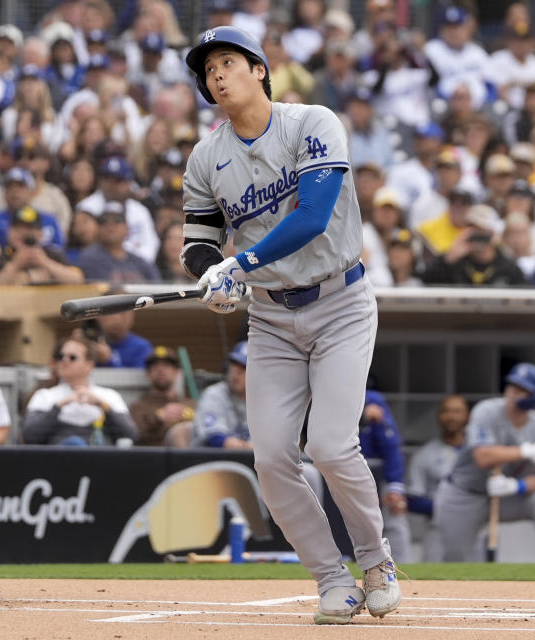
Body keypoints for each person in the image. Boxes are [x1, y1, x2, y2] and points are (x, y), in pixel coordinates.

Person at [181, 26, 401, 624]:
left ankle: (376, 561)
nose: (218, 74)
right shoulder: (205, 158)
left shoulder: (312, 123)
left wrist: (240, 264)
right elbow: (197, 242)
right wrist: (211, 276)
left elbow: (312, 215)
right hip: (273, 317)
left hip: (341, 302)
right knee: (273, 457)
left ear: (259, 69)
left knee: (330, 444)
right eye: (208, 70)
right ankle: (333, 579)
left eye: (229, 61)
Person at [435, 363, 535, 562]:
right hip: (464, 494)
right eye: (513, 387)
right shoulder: (486, 411)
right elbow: (483, 457)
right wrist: (525, 450)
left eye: (522, 390)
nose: (514, 394)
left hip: (506, 494)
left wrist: (518, 485)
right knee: (456, 559)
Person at [21, 337, 137, 446]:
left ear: (89, 365)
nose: (64, 361)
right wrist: (59, 406)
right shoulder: (44, 396)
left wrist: (102, 405)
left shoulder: (109, 395)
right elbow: (30, 436)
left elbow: (130, 434)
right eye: (61, 356)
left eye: (72, 357)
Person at [405, 394, 468, 562]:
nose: (451, 416)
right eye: (446, 411)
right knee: (433, 578)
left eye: (457, 411)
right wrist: (447, 507)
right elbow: (412, 499)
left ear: (467, 416)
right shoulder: (425, 454)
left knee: (481, 581)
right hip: (437, 527)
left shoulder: (479, 453)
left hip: (473, 527)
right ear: (439, 416)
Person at [359, 389, 411, 564]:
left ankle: (401, 570)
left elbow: (391, 446)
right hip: (337, 472)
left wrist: (394, 485)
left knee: (394, 523)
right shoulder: (323, 394)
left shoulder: (371, 399)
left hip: (375, 474)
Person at [129, 346, 196, 447]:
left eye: (166, 366)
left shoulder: (192, 404)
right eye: (155, 367)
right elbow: (134, 436)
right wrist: (158, 419)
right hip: (156, 459)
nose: (161, 370)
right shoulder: (138, 407)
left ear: (177, 373)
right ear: (148, 374)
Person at [193, 341, 251, 449]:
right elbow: (214, 438)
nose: (236, 372)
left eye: (244, 367)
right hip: (213, 461)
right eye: (234, 365)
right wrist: (249, 448)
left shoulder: (266, 400)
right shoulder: (214, 394)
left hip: (248, 461)